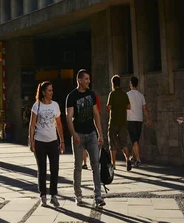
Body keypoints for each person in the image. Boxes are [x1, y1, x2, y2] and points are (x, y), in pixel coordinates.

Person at [65, 69, 105, 207]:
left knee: (95, 165)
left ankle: (98, 196)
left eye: (89, 79)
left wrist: (100, 133)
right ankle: (78, 195)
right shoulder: (71, 96)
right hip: (79, 136)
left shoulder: (91, 94)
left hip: (92, 134)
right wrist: (74, 133)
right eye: (86, 79)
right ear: (79, 80)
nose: (89, 81)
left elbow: (96, 114)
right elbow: (69, 117)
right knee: (78, 167)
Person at [29, 81, 65, 207]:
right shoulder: (36, 106)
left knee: (55, 169)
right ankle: (43, 195)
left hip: (53, 141)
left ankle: (54, 195)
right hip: (40, 142)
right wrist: (31, 141)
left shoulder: (55, 105)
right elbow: (32, 125)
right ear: (43, 92)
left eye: (52, 90)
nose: (51, 93)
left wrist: (62, 141)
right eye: (49, 90)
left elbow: (59, 124)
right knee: (42, 169)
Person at [107, 75, 133, 172]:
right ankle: (128, 158)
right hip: (123, 122)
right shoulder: (124, 94)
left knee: (113, 144)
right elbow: (129, 106)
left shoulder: (112, 94)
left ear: (113, 84)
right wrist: (122, 108)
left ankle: (113, 164)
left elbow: (109, 107)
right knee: (124, 142)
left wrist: (113, 107)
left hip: (113, 121)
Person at [127, 76, 152, 168]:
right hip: (139, 120)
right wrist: (148, 119)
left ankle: (138, 159)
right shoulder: (141, 95)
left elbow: (126, 106)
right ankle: (133, 158)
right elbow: (144, 109)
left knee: (134, 140)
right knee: (136, 140)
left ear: (131, 84)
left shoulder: (127, 94)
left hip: (130, 119)